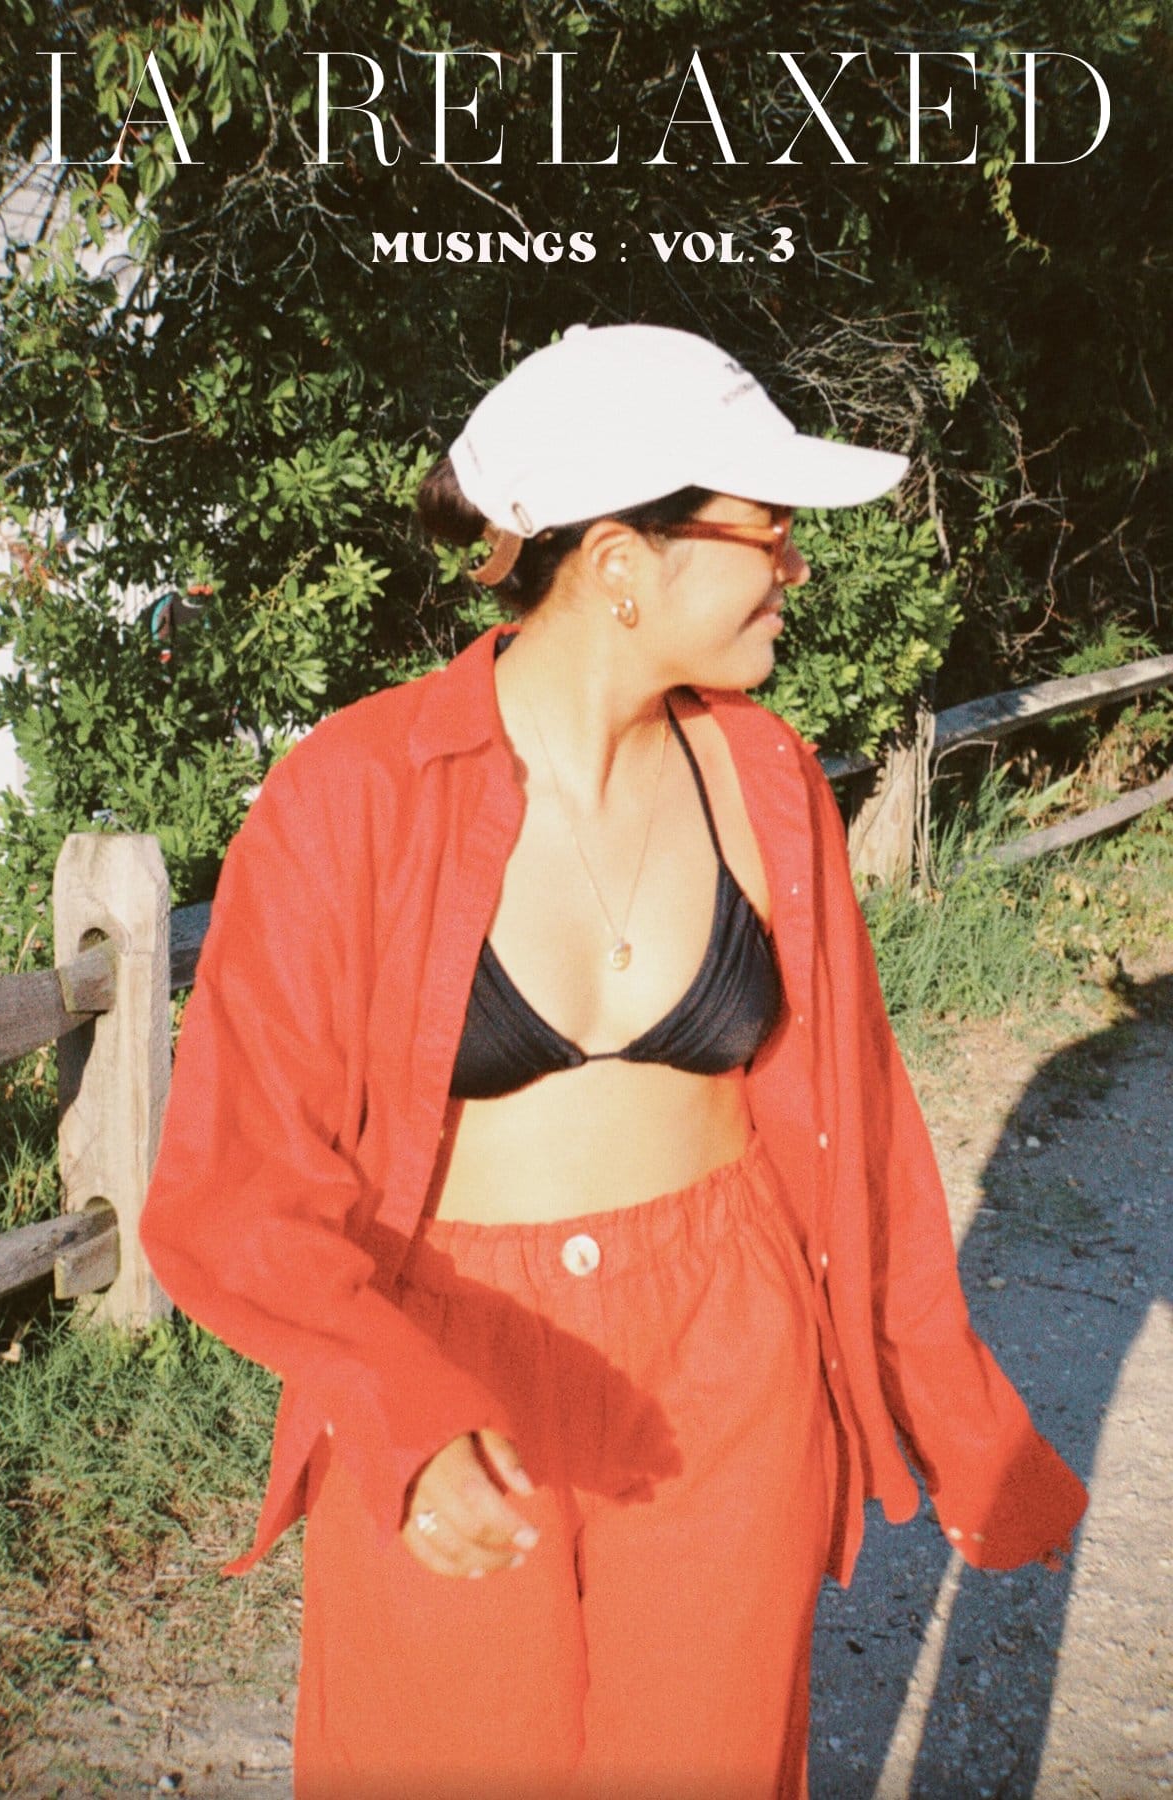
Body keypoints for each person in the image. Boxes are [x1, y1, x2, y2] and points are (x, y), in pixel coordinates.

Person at [140, 322, 1087, 1800]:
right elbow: (233, 1185)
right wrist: (396, 1410)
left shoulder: (764, 779)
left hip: (730, 1357)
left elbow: (863, 1128)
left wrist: (958, 1414)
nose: (796, 571)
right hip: (450, 1351)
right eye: (769, 533)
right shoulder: (353, 796)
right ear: (622, 561)